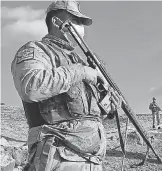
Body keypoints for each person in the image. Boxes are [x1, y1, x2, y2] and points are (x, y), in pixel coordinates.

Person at [11, 1, 122, 170]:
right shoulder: (37, 50)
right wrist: (81, 72)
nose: (81, 28)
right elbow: (31, 87)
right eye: (76, 21)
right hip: (58, 157)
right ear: (56, 22)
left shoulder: (79, 61)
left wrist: (110, 106)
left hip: (92, 160)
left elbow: (89, 115)